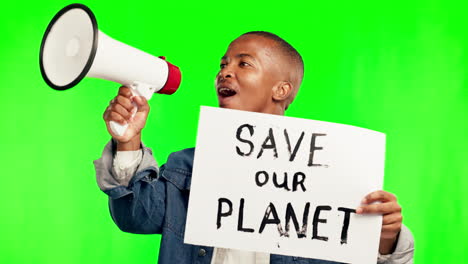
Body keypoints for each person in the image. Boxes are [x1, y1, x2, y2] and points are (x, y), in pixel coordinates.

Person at [94, 31, 414, 264]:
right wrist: (128, 141)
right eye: (223, 64)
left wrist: (385, 239)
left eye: (244, 64)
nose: (225, 71)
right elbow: (136, 218)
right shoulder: (188, 167)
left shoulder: (333, 173)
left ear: (281, 89)